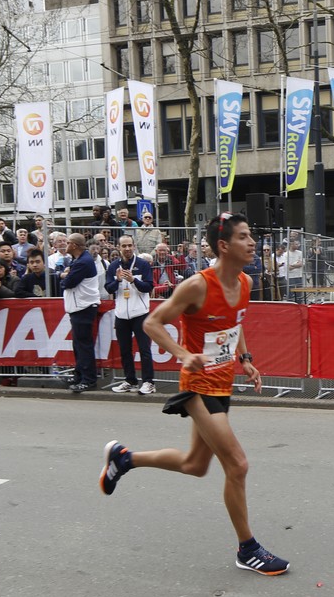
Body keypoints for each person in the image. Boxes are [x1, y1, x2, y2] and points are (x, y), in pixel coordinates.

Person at [99, 212, 288, 576]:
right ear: (224, 245)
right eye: (244, 236)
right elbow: (152, 323)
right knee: (238, 465)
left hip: (223, 381)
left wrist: (246, 359)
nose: (252, 242)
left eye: (251, 235)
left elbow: (235, 324)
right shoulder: (197, 286)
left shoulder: (246, 281)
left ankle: (124, 458)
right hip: (198, 385)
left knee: (195, 465)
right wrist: (184, 354)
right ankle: (247, 549)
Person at [104, 234, 157, 395]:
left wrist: (133, 280)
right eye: (124, 246)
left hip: (140, 313)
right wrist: (118, 280)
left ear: (134, 246)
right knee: (125, 350)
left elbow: (148, 287)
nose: (127, 249)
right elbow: (108, 288)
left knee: (144, 349)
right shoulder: (114, 266)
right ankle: (130, 380)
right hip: (121, 315)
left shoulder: (142, 264)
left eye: (129, 245)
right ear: (119, 248)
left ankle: (148, 382)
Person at [61, 232, 102, 393]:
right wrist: (67, 275)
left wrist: (63, 275)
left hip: (83, 307)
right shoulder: (79, 260)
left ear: (74, 245)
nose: (66, 245)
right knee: (78, 344)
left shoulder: (83, 262)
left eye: (68, 242)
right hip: (79, 307)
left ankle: (88, 379)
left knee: (84, 345)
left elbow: (68, 283)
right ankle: (79, 375)